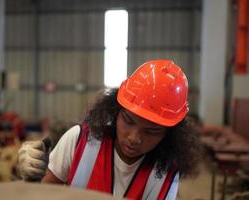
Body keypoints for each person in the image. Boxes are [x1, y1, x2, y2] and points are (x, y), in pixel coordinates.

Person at [18, 60, 202, 199]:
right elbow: (43, 194)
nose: (134, 138)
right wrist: (32, 179)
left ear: (169, 134)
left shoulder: (166, 174)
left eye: (151, 131)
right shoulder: (79, 141)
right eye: (128, 121)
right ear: (115, 112)